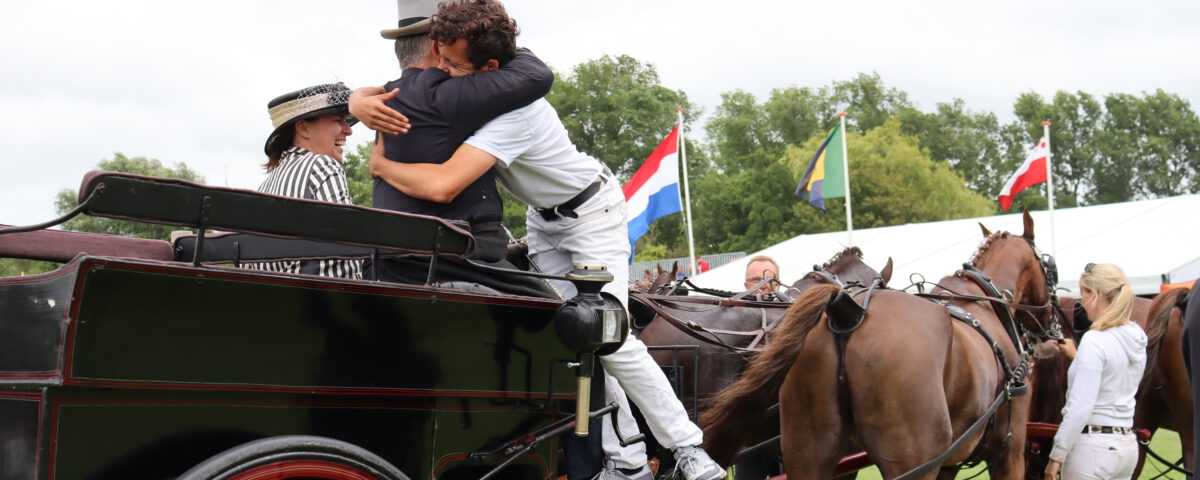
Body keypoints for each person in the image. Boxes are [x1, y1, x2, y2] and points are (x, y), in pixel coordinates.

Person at [359, 3, 725, 480]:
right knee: (573, 341)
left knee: (607, 334)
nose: (441, 72)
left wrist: (382, 166)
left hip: (592, 213)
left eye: (451, 64)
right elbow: (405, 95)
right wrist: (356, 100)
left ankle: (690, 450)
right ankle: (629, 461)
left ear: (489, 69)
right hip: (545, 221)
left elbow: (443, 184)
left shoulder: (516, 112)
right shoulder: (475, 92)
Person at [350, 0, 553, 268]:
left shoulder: (387, 96)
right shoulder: (448, 94)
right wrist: (493, 40)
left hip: (386, 256)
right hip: (451, 253)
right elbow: (537, 75)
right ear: (437, 47)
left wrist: (354, 100)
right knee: (556, 306)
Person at [247, 82, 361, 279]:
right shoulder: (322, 164)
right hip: (326, 297)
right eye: (337, 120)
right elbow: (352, 244)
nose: (348, 130)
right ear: (304, 128)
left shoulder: (265, 186)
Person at [1045, 263, 1147, 480]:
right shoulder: (1135, 336)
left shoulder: (1095, 340)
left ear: (1095, 294)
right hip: (1126, 446)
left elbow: (1080, 407)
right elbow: (1112, 374)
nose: (1081, 302)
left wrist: (1056, 456)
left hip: (1092, 449)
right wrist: (1078, 356)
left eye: (1083, 294)